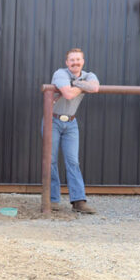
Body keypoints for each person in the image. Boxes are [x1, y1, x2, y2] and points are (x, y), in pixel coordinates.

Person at [49, 48, 100, 213]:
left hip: (71, 123)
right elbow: (68, 94)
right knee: (50, 161)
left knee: (73, 161)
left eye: (78, 59)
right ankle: (52, 200)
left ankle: (78, 202)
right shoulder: (60, 73)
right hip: (53, 120)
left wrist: (76, 84)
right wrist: (82, 86)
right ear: (67, 62)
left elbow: (95, 87)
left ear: (82, 61)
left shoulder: (89, 74)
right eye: (72, 60)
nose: (75, 62)